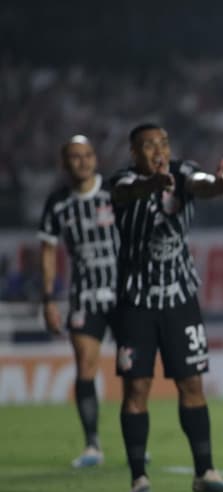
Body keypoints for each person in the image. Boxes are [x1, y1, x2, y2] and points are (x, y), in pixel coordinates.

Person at [109, 123, 223, 492]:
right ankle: (139, 479)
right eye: (148, 145)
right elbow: (125, 192)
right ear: (134, 153)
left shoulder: (183, 173)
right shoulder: (122, 180)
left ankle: (205, 473)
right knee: (137, 386)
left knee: (192, 384)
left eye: (163, 142)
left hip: (181, 299)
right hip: (136, 303)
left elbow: (200, 181)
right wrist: (151, 186)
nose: (158, 149)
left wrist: (217, 184)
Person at [38, 135, 119, 468]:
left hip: (124, 294)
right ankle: (92, 445)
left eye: (87, 155)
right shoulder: (58, 203)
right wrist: (48, 299)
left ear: (95, 159)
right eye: (75, 156)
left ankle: (134, 440)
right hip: (84, 295)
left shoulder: (115, 194)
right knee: (86, 363)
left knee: (134, 371)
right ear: (65, 162)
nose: (82, 161)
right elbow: (47, 252)